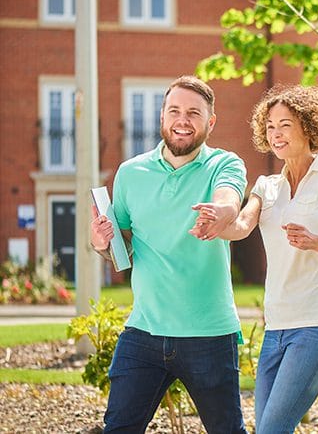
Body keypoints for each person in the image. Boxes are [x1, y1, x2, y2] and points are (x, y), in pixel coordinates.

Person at [191, 84, 318, 433]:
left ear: (309, 126)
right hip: (275, 328)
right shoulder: (266, 186)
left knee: (272, 429)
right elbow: (241, 226)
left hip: (317, 325)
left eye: (285, 125)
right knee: (270, 429)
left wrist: (315, 241)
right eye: (270, 126)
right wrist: (216, 226)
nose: (276, 134)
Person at [90, 75, 249, 433]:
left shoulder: (224, 164)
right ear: (162, 116)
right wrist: (102, 244)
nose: (182, 120)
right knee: (117, 428)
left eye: (194, 113)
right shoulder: (131, 173)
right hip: (143, 332)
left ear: (210, 122)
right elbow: (122, 252)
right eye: (174, 110)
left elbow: (229, 198)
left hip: (209, 335)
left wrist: (221, 213)